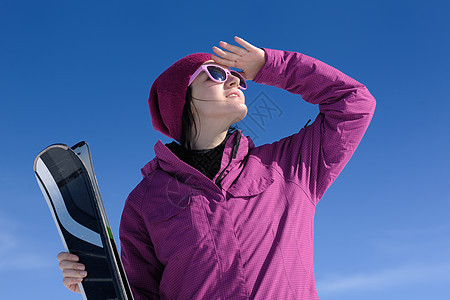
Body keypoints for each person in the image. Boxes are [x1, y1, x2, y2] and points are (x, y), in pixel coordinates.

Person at [57, 36, 376, 299]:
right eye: (217, 74)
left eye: (237, 76)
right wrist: (96, 280)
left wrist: (269, 66)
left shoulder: (289, 167)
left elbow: (353, 101)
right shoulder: (145, 202)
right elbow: (140, 293)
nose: (235, 81)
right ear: (182, 99)